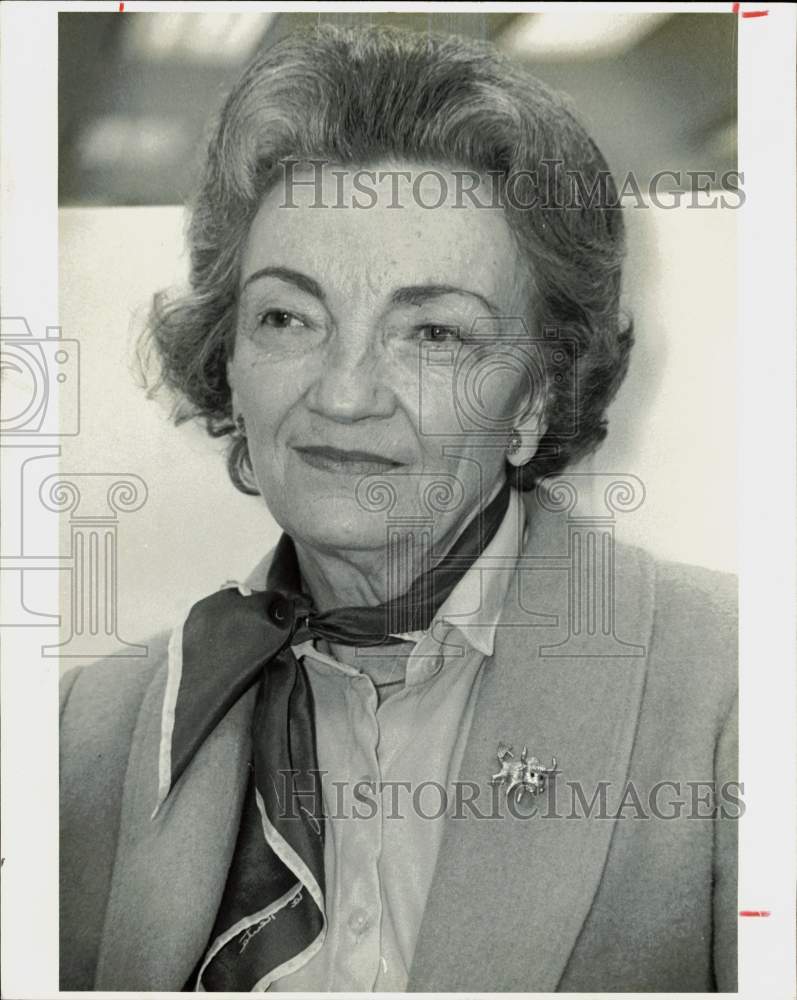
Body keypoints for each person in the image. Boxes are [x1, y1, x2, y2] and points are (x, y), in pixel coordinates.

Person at [59, 25, 737, 993]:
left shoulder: (733, 688)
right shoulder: (94, 724)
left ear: (534, 397)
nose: (343, 394)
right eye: (288, 316)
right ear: (228, 360)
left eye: (432, 332)